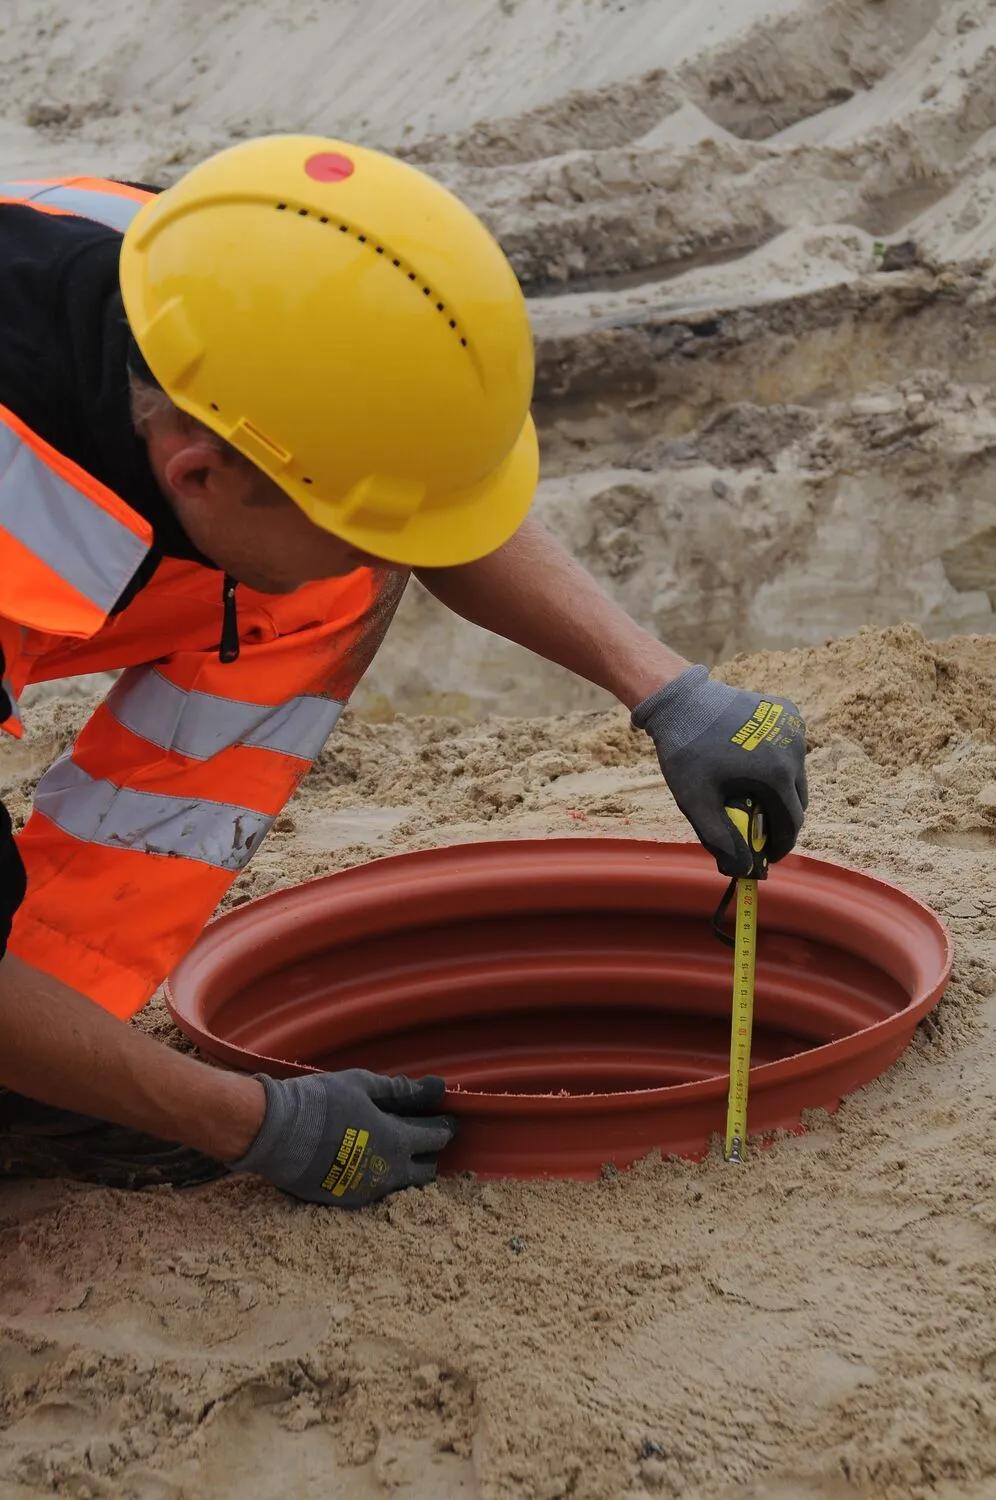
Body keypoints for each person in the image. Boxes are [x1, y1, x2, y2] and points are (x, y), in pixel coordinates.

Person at [0, 137, 807, 1207]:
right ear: (197, 473)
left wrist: (665, 687)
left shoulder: (214, 282)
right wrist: (253, 1124)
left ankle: (58, 1025)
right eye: (363, 525)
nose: (399, 554)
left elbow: (399, 493)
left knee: (314, 584)